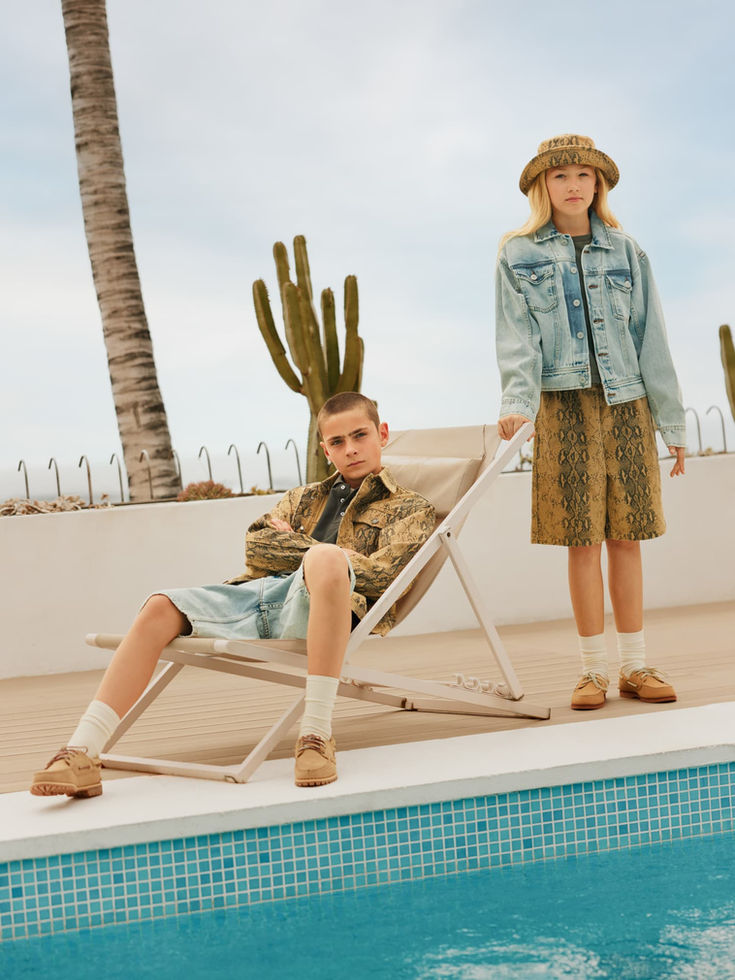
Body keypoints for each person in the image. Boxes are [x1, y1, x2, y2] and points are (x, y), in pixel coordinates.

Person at [30, 392, 435, 797]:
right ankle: (80, 752)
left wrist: (316, 554)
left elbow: (386, 578)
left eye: (359, 435)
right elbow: (256, 548)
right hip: (256, 596)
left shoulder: (410, 508)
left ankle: (315, 736)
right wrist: (321, 553)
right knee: (159, 607)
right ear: (325, 449)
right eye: (337, 442)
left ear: (382, 434)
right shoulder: (303, 497)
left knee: (327, 560)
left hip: (323, 608)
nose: (350, 449)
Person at [495, 134, 686, 711]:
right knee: (581, 541)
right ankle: (592, 672)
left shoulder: (628, 251)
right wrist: (517, 404)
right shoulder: (516, 254)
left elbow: (651, 340)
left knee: (626, 538)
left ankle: (636, 665)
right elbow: (517, 338)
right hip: (561, 406)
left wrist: (672, 427)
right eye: (560, 176)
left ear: (598, 184)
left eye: (584, 175)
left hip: (628, 407)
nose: (573, 185)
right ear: (541, 187)